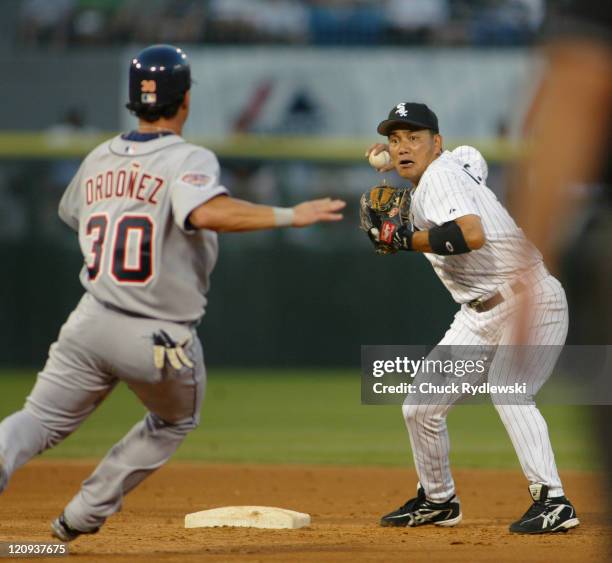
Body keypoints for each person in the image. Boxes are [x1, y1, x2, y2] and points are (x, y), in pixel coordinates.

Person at [0, 44, 345, 542]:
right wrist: (291, 214)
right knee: (174, 419)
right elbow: (205, 213)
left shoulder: (99, 156)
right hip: (155, 334)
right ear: (183, 101)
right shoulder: (189, 157)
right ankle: (81, 515)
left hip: (90, 319)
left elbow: (71, 214)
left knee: (36, 419)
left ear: (133, 102)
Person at [362, 102, 578, 534]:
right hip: (477, 314)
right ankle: (438, 500)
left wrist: (406, 238)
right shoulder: (457, 161)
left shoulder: (440, 177)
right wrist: (392, 160)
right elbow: (471, 157)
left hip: (531, 298)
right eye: (395, 140)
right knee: (420, 407)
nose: (403, 147)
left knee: (509, 389)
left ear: (436, 143)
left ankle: (554, 502)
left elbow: (470, 235)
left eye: (414, 138)